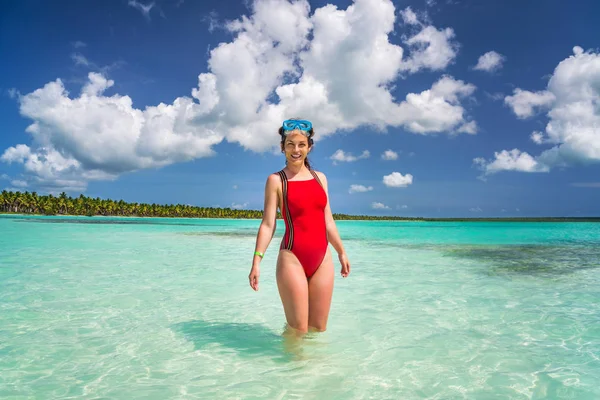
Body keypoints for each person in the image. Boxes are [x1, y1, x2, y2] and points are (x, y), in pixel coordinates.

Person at [248, 118, 351, 336]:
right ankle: (289, 368)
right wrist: (257, 261)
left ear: (309, 147)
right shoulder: (276, 180)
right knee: (298, 330)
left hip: (323, 258)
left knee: (319, 328)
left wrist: (341, 252)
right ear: (282, 147)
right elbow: (268, 224)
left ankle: (312, 370)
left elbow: (328, 221)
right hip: (292, 257)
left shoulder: (320, 178)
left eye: (301, 144)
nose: (296, 150)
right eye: (290, 145)